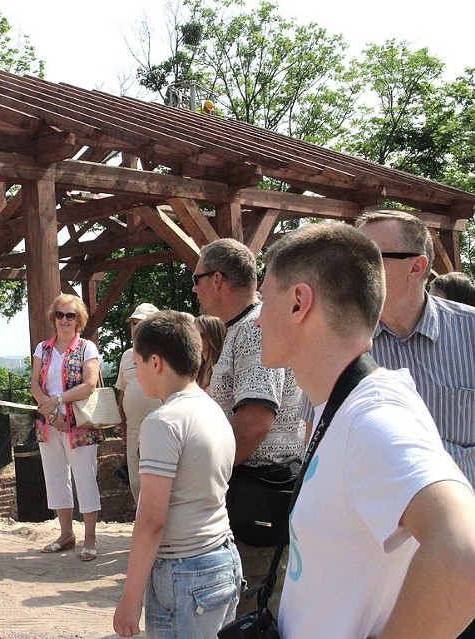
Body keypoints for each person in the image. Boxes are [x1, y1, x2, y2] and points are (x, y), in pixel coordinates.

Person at [255, 222, 475, 639]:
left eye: (265, 298)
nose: (257, 320)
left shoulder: (372, 418)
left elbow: (464, 553)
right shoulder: (341, 407)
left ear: (299, 303)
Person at [191, 238, 304, 615]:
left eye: (197, 278)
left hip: (258, 494)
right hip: (249, 494)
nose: (194, 288)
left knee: (255, 609)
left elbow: (255, 421)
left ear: (218, 280)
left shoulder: (254, 331)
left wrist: (208, 478)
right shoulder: (241, 329)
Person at [113, 310, 241, 639]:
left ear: (155, 362)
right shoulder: (212, 408)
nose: (135, 371)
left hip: (184, 571)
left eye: (137, 362)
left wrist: (130, 598)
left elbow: (152, 518)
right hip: (221, 556)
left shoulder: (163, 422)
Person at [356, 211, 475, 487]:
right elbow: (319, 445)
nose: (353, 268)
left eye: (369, 257)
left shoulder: (469, 331)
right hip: (377, 525)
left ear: (416, 266)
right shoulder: (338, 339)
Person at [30, 293, 102, 561]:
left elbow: (89, 383)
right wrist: (51, 413)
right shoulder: (43, 349)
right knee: (56, 477)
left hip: (79, 424)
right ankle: (66, 534)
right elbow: (35, 384)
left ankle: (91, 538)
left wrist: (58, 401)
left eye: (70, 315)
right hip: (49, 425)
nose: (64, 320)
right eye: (60, 315)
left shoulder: (87, 348)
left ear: (78, 319)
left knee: (85, 478)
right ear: (54, 318)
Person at [115, 303, 163, 503]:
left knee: (159, 478)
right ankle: (142, 525)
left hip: (161, 426)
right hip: (134, 428)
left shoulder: (167, 352)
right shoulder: (127, 356)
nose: (135, 327)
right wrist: (123, 424)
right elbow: (123, 392)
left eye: (140, 323)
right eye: (133, 323)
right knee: (136, 480)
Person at [192, 314, 226, 392]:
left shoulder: (222, 371)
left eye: (201, 335)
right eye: (193, 334)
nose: (195, 339)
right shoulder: (195, 369)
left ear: (213, 337)